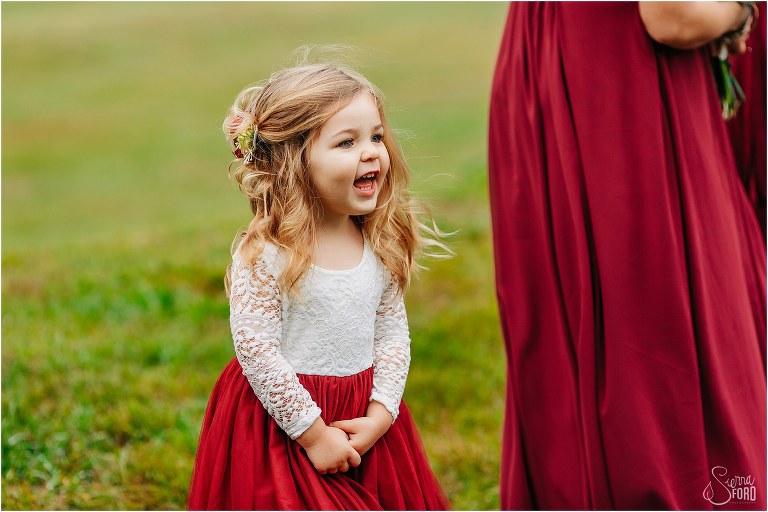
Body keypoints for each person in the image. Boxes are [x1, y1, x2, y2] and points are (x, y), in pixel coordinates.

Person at [488, 2, 765, 510]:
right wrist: (740, 12)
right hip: (622, 85)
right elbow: (674, 15)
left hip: (550, 58)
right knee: (653, 315)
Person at [186, 62, 449, 510]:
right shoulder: (267, 252)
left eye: (376, 136)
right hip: (285, 423)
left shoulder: (375, 238)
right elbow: (257, 350)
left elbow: (391, 334)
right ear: (295, 161)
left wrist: (381, 414)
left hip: (361, 417)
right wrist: (312, 433)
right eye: (347, 142)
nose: (371, 153)